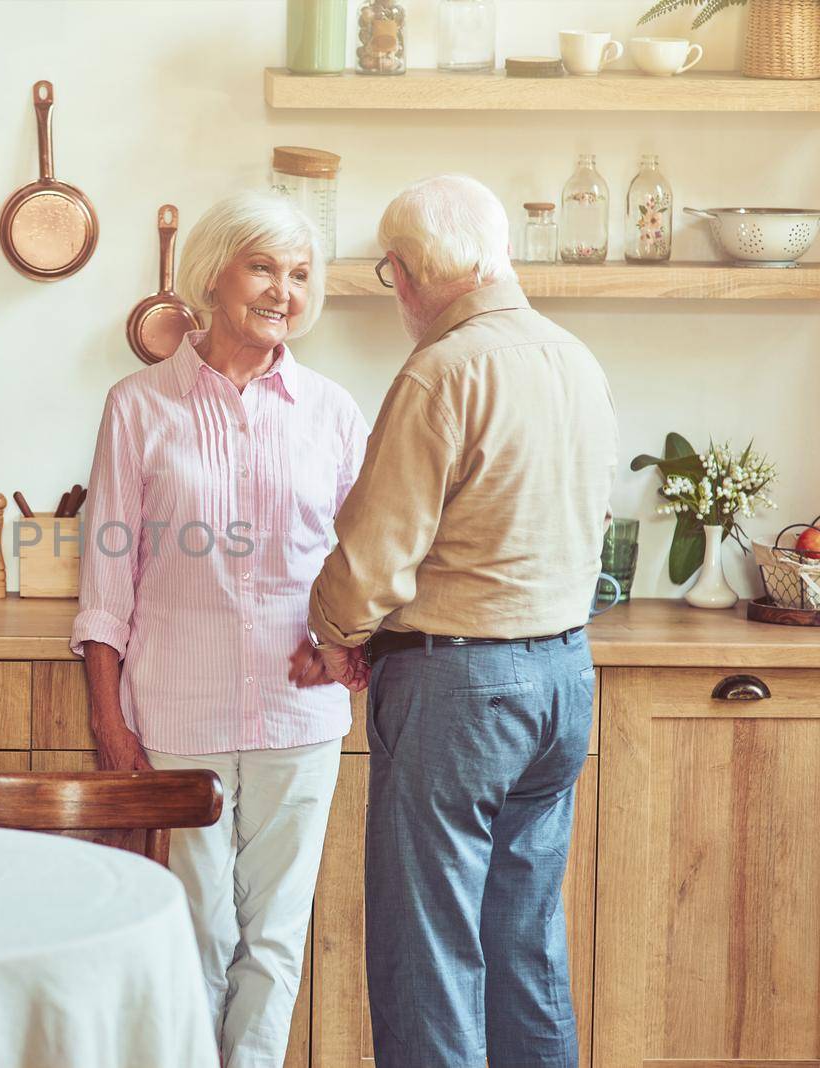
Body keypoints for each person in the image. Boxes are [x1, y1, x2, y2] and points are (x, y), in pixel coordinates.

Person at [294, 174, 618, 1068]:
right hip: (562, 678)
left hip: (461, 691)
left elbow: (372, 559)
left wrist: (334, 636)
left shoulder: (443, 370)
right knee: (524, 940)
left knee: (429, 952)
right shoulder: (573, 358)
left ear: (400, 273)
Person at [72, 191, 368, 1068]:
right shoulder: (138, 406)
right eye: (265, 267)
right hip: (177, 716)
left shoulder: (333, 412)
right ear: (213, 273)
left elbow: (367, 562)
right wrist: (108, 719)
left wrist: (357, 646)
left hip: (297, 717)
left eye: (302, 274)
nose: (285, 291)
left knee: (273, 945)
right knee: (193, 939)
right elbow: (105, 581)